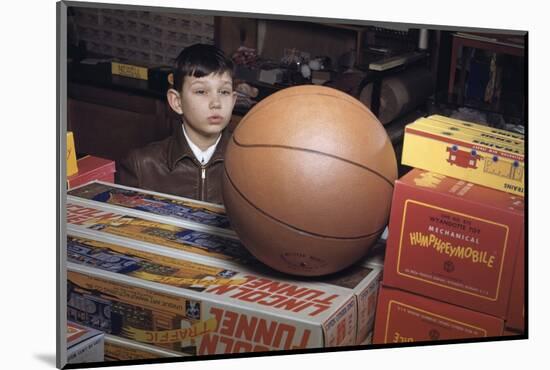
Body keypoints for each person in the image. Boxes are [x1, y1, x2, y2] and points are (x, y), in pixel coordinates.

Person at [117, 44, 237, 204]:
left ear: (233, 100)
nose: (216, 103)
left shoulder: (251, 163)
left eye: (224, 92)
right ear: (177, 102)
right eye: (201, 91)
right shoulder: (141, 165)